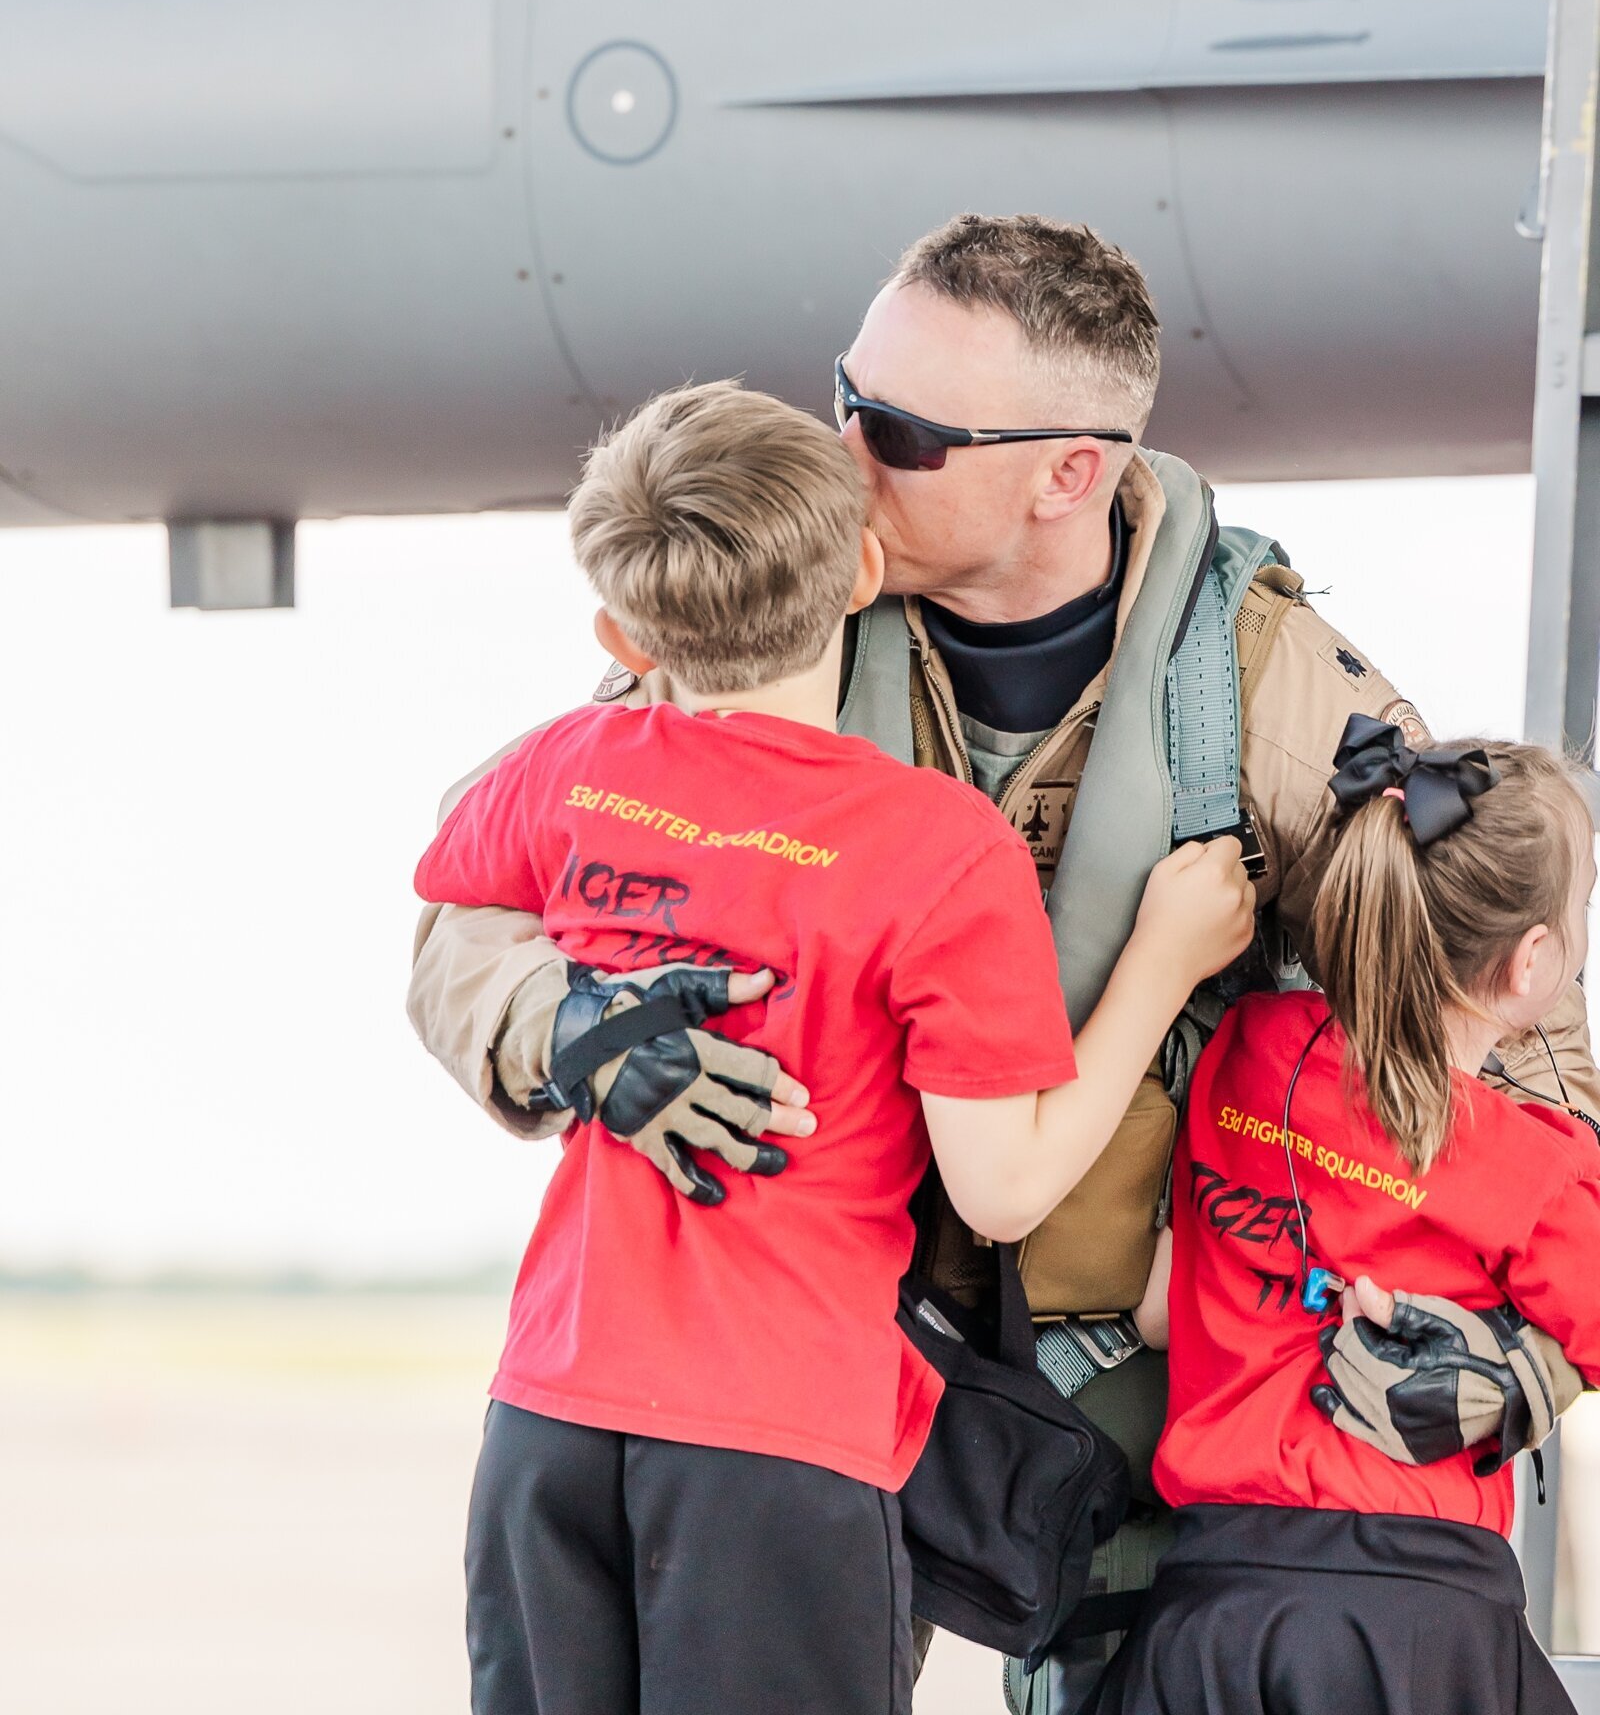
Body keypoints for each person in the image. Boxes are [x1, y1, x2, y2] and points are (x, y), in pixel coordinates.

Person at [408, 213, 1600, 1708]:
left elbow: (1530, 1049)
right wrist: (566, 1022)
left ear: (1070, 471)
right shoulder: (759, 610)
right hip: (805, 1370)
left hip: (1156, 1407)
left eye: (899, 431)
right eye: (845, 396)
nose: (841, 452)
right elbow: (472, 910)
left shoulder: (1275, 702)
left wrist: (1515, 1371)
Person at [414, 381, 1256, 1715]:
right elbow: (1005, 1188)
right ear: (865, 567)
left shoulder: (565, 768)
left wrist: (576, 1015)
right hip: (782, 1444)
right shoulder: (935, 845)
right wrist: (1161, 965)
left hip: (549, 1424)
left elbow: (455, 909)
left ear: (621, 630)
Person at [1090, 720, 1600, 1715]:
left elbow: (1170, 1296)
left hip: (1210, 1613)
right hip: (1413, 1623)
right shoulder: (1541, 1168)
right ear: (1530, 963)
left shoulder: (1246, 1050)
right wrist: (1537, 1363)